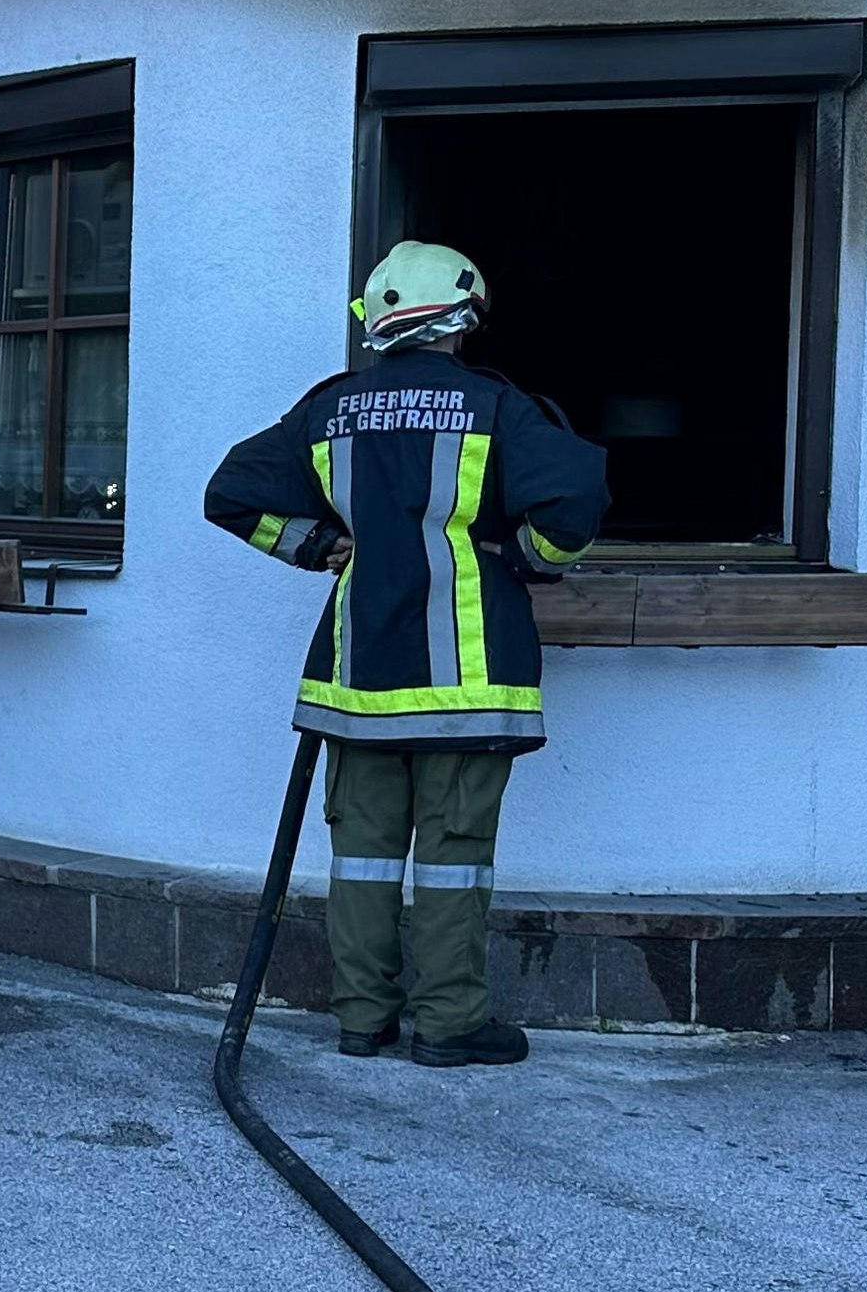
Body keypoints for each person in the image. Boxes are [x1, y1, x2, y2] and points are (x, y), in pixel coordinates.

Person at [205, 241, 606, 1070]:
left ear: (381, 319)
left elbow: (231, 493)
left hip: (359, 685)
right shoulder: (497, 407)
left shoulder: (329, 410)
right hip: (467, 687)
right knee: (452, 863)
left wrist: (318, 545)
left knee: (361, 858)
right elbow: (573, 502)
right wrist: (529, 557)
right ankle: (450, 1026)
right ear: (462, 320)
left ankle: (363, 1021)